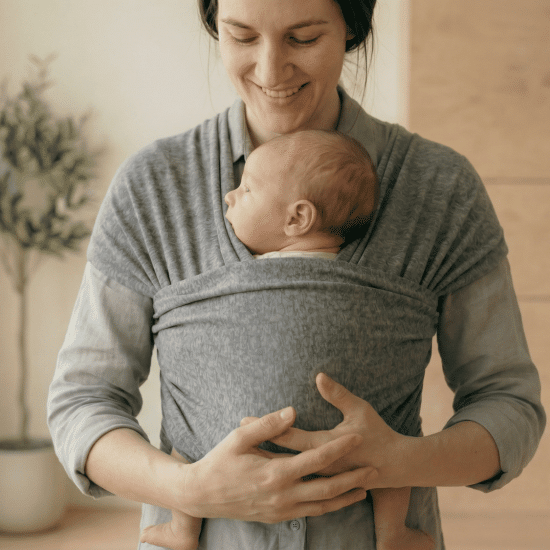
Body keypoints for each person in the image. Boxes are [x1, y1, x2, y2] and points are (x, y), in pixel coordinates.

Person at [47, 1, 546, 549]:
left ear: (352, 28)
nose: (269, 69)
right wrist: (190, 489)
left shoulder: (438, 190)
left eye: (303, 38)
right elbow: (82, 404)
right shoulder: (153, 188)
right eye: (241, 36)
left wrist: (401, 461)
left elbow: (509, 403)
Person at [140, 130, 433, 550]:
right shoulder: (376, 287)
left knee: (192, 426)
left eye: (247, 188)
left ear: (297, 219)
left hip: (238, 440)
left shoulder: (249, 275)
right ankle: (394, 534)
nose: (229, 195)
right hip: (349, 456)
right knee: (393, 427)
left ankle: (179, 531)